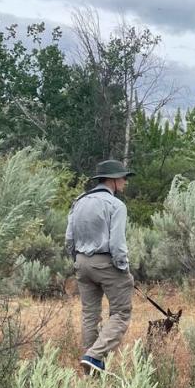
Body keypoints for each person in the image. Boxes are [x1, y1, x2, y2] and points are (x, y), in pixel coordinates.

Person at [65, 159, 135, 374]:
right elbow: (117, 244)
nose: (125, 181)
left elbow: (69, 238)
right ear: (113, 180)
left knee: (90, 314)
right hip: (106, 262)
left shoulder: (79, 201)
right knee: (122, 313)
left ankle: (90, 371)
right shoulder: (116, 205)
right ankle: (94, 356)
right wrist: (123, 268)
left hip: (82, 262)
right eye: (123, 177)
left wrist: (77, 260)